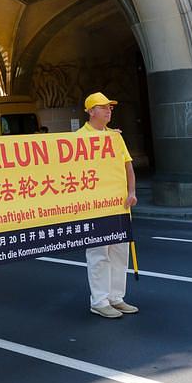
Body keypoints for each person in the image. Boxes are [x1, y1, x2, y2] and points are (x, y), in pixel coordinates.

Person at [80, 92, 138, 319]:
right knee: (98, 254)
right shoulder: (78, 138)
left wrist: (131, 192)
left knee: (119, 252)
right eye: (103, 107)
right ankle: (100, 301)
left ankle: (116, 298)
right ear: (91, 111)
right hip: (95, 208)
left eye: (110, 108)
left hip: (118, 205)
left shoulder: (115, 137)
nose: (108, 110)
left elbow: (128, 166)